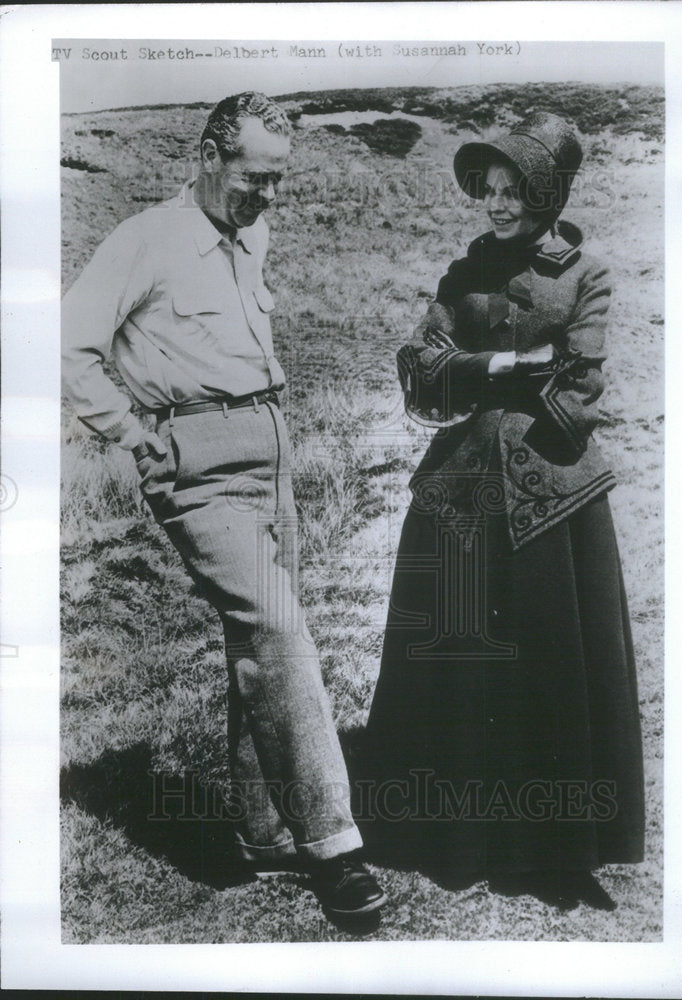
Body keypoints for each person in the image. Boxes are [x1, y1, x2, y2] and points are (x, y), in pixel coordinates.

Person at [61, 91, 386, 920]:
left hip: (271, 451)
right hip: (195, 465)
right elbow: (71, 344)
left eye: (278, 180)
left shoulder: (252, 234)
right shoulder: (144, 239)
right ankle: (335, 845)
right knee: (279, 629)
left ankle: (265, 835)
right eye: (253, 177)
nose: (267, 196)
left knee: (259, 640)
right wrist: (131, 434)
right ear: (209, 155)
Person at [363, 112, 644, 910]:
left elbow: (580, 387)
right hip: (458, 488)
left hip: (553, 497)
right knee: (454, 661)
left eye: (513, 189)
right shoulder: (464, 272)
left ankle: (548, 844)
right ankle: (446, 831)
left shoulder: (588, 275)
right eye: (487, 189)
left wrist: (480, 371)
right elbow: (422, 362)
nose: (496, 203)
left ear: (547, 194)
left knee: (547, 661)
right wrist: (507, 363)